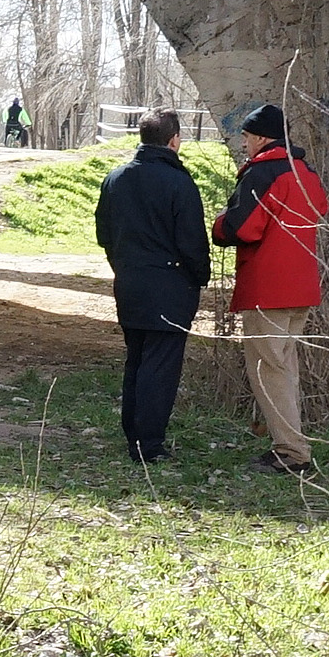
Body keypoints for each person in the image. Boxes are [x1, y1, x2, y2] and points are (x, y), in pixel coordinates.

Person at [213, 101, 329, 475]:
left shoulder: (262, 173)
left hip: (268, 288)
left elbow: (241, 228)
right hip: (302, 286)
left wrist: (219, 223)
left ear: (262, 139)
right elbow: (321, 208)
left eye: (247, 136)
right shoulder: (305, 172)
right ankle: (292, 445)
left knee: (270, 372)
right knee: (285, 369)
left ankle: (291, 451)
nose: (244, 143)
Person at [92, 109, 211, 465]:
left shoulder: (115, 179)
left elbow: (104, 234)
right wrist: (200, 276)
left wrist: (123, 266)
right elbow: (192, 242)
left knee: (137, 359)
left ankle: (134, 434)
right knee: (161, 366)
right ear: (174, 140)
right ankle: (150, 444)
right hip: (171, 286)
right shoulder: (179, 183)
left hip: (130, 282)